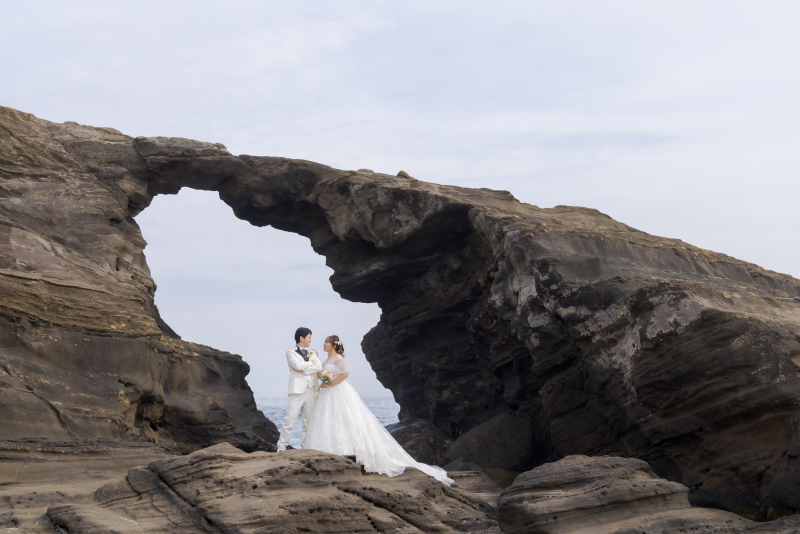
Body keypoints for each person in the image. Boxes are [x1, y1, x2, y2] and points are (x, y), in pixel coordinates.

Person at [305, 335, 453, 485]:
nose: (324, 344)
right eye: (324, 342)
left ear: (334, 345)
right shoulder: (326, 361)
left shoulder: (338, 359)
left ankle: (349, 452)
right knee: (328, 420)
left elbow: (345, 374)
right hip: (326, 394)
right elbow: (319, 375)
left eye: (326, 342)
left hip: (338, 391)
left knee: (345, 418)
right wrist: (314, 361)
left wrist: (331, 383)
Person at [276, 327, 322, 452]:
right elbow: (297, 365)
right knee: (289, 419)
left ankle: (305, 446)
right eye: (309, 337)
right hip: (296, 390)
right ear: (301, 338)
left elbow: (319, 366)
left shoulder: (312, 353)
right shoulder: (290, 352)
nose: (310, 340)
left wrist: (305, 370)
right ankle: (281, 446)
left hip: (311, 389)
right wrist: (311, 364)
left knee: (308, 420)